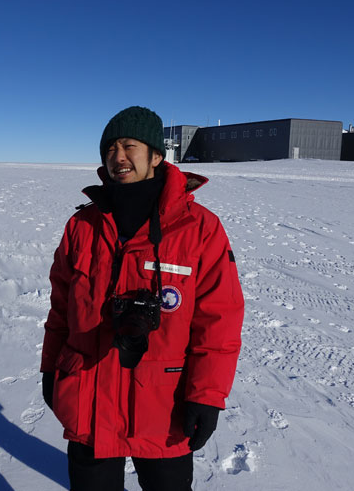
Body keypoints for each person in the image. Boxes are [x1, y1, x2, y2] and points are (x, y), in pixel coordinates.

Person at [40, 106, 244, 490]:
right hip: (89, 397)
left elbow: (219, 321)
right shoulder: (82, 226)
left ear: (155, 155)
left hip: (164, 407)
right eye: (110, 148)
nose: (118, 156)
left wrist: (207, 396)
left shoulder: (199, 229)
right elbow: (60, 311)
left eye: (129, 146)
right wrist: (51, 368)